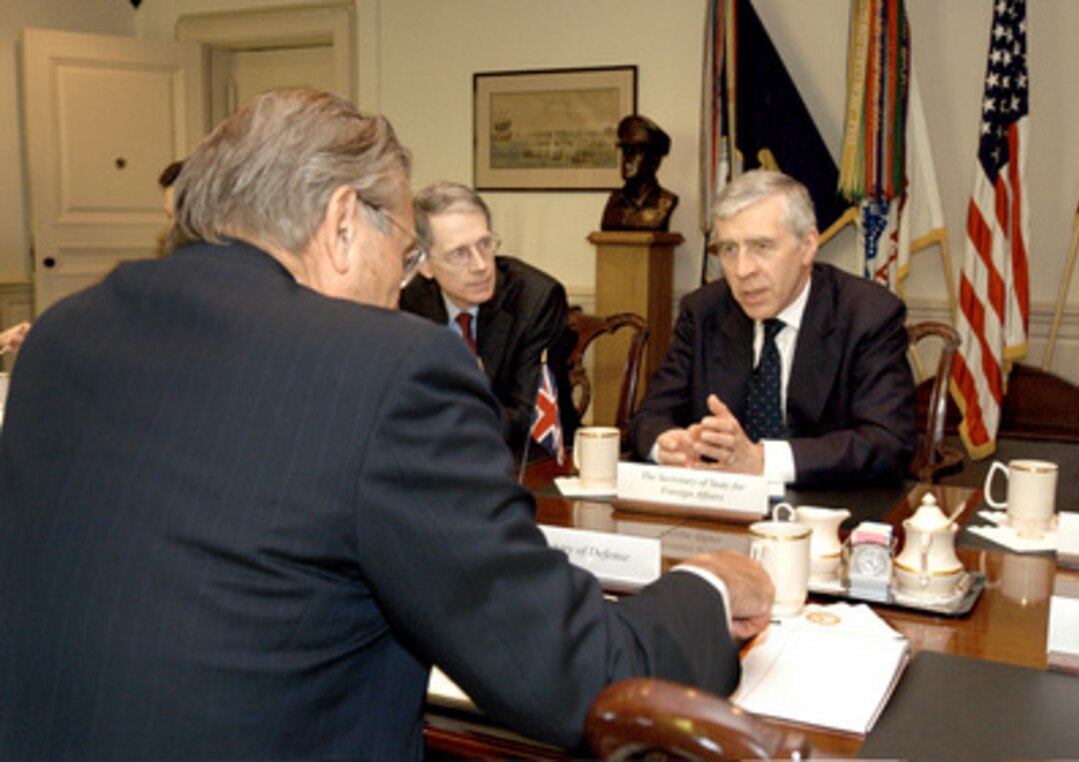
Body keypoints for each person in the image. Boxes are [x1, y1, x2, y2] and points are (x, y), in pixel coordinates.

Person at [0, 89, 773, 760]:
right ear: (343, 223)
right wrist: (704, 588)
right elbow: (570, 676)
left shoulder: (65, 333)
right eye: (406, 258)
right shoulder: (388, 368)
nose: (402, 290)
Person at [629, 169, 915, 487]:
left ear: (807, 246)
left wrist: (763, 461)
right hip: (718, 516)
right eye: (729, 249)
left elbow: (888, 444)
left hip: (824, 516)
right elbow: (648, 418)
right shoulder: (703, 311)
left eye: (761, 247)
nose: (743, 270)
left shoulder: (868, 314)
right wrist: (670, 445)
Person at [401, 181, 578, 454]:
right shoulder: (407, 301)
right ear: (423, 264)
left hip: (526, 465)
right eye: (460, 253)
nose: (481, 266)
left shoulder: (535, 299)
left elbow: (526, 422)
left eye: (484, 244)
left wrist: (436, 417)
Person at [600, 114, 678, 232]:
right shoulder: (614, 202)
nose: (627, 160)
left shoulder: (665, 202)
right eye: (625, 151)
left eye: (636, 152)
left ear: (654, 160)